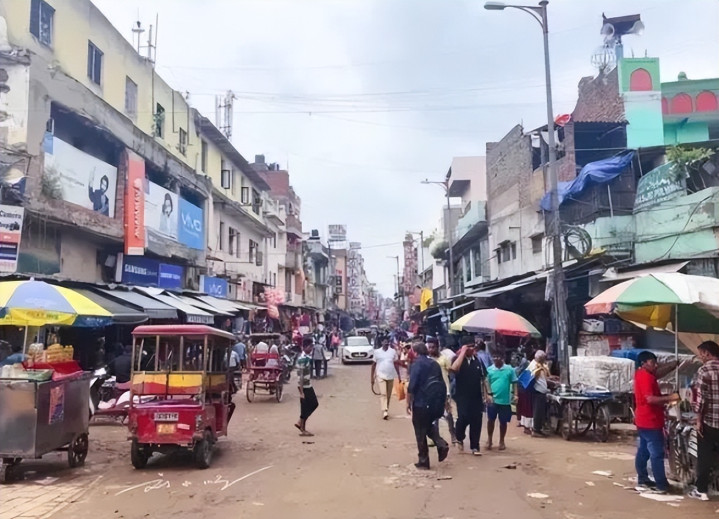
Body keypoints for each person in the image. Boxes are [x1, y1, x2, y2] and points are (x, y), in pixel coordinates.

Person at [632, 351, 680, 495]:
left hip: (643, 420)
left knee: (644, 450)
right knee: (657, 453)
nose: (656, 365)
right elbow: (650, 399)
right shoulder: (646, 377)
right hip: (650, 421)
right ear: (643, 363)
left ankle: (643, 479)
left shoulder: (642, 374)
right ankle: (661, 484)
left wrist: (673, 366)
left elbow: (658, 373)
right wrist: (670, 397)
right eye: (652, 362)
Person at [407, 342, 449, 469]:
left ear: (415, 352)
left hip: (420, 402)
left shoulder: (416, 364)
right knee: (428, 425)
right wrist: (444, 402)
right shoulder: (434, 364)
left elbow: (412, 386)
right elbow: (441, 383)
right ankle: (441, 443)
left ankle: (423, 460)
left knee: (420, 431)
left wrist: (408, 402)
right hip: (434, 402)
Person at [450, 336, 493, 455]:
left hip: (476, 395)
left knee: (476, 420)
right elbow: (454, 369)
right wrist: (462, 352)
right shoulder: (457, 359)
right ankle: (459, 437)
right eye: (469, 346)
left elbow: (484, 378)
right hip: (461, 396)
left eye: (473, 346)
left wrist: (488, 393)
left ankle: (475, 446)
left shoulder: (478, 360)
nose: (473, 348)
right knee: (463, 418)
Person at [690, 341, 719, 501]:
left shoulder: (704, 370)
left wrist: (698, 420)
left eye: (701, 353)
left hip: (710, 422)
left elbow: (701, 399)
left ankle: (702, 491)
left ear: (707, 353)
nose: (700, 357)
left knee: (704, 456)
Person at [486, 352, 518, 451]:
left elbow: (514, 382)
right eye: (494, 356)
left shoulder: (510, 369)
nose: (496, 358)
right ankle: (489, 439)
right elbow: (486, 383)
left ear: (503, 358)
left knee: (503, 422)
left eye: (498, 356)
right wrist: (487, 395)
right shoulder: (489, 370)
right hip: (493, 400)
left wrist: (516, 395)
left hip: (505, 401)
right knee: (490, 420)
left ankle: (502, 441)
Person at [428, 337, 456, 444]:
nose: (431, 349)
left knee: (448, 414)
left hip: (445, 390)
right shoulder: (427, 359)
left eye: (433, 347)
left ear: (437, 347)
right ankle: (435, 437)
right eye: (429, 347)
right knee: (433, 415)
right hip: (431, 391)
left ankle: (453, 434)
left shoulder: (444, 359)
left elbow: (450, 372)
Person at [370, 338, 401, 420]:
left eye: (387, 342)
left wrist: (399, 375)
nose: (386, 343)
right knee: (383, 393)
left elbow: (396, 364)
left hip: (390, 375)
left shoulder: (393, 352)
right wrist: (372, 378)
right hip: (380, 375)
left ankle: (386, 408)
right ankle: (385, 411)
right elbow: (373, 365)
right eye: (384, 342)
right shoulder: (377, 352)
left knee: (388, 394)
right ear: (381, 342)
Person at [295, 339, 318, 436]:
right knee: (308, 406)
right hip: (304, 386)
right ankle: (302, 426)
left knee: (310, 405)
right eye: (310, 347)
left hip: (307, 384)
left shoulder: (306, 357)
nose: (311, 348)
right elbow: (300, 376)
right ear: (304, 347)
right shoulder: (303, 359)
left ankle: (300, 422)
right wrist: (301, 392)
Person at [528, 350, 551, 437]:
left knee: (540, 411)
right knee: (537, 411)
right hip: (537, 391)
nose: (544, 360)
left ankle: (539, 429)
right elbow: (533, 376)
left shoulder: (540, 365)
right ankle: (536, 430)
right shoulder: (534, 365)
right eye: (543, 358)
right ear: (540, 358)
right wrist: (540, 369)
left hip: (541, 391)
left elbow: (547, 376)